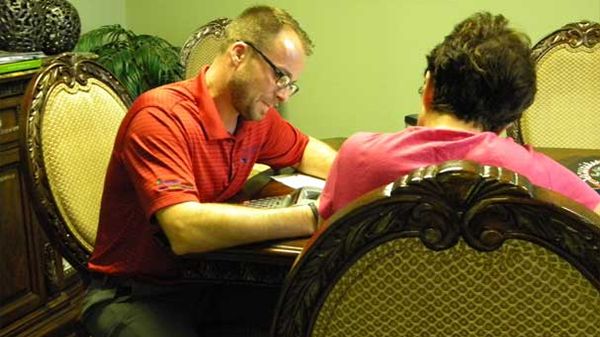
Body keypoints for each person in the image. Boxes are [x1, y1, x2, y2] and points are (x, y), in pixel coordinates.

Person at [82, 5, 337, 337]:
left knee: (313, 311)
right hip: (135, 293)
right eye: (280, 76)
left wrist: (352, 180)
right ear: (239, 54)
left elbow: (303, 150)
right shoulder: (161, 117)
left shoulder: (253, 115)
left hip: (208, 277)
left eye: (292, 83)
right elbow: (184, 230)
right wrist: (313, 215)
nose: (283, 93)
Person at [319, 12, 600, 221]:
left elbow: (326, 234)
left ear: (429, 86)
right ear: (508, 121)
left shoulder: (355, 156)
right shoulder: (536, 175)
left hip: (374, 299)